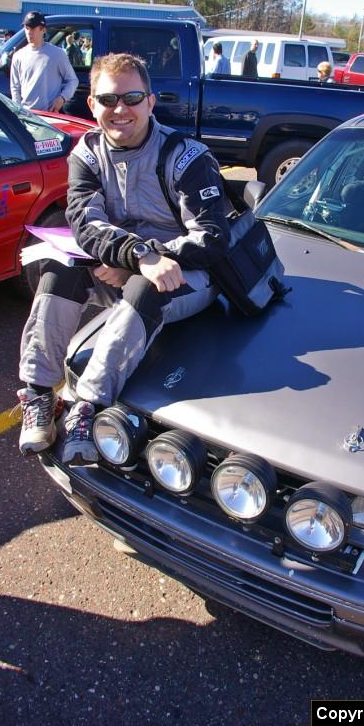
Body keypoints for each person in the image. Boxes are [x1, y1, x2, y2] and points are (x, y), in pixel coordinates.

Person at [17, 52, 230, 464]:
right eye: (108, 99)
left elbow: (212, 239)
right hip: (132, 263)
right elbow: (83, 222)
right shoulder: (87, 153)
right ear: (92, 104)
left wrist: (145, 259)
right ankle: (39, 394)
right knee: (58, 269)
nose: (120, 110)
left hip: (188, 276)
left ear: (151, 102)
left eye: (132, 98)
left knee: (143, 283)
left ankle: (87, 407)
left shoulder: (187, 157)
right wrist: (137, 255)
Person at [10, 11, 78, 112]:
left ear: (43, 30)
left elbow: (72, 80)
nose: (29, 32)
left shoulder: (57, 54)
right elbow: (15, 87)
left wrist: (62, 98)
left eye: (33, 28)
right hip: (27, 116)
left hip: (50, 116)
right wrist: (18, 111)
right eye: (26, 28)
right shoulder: (18, 56)